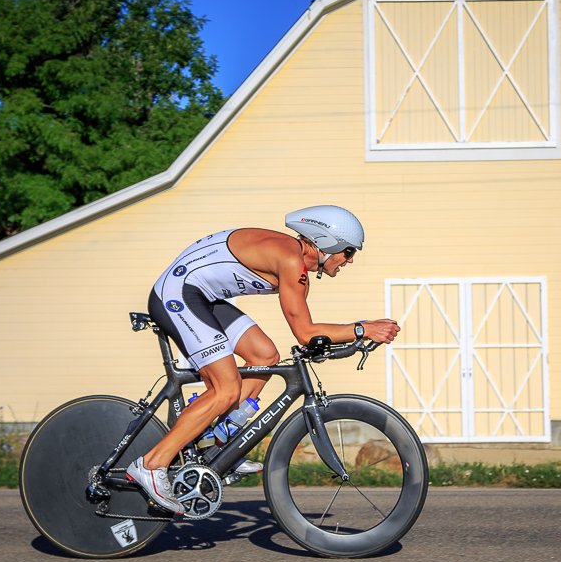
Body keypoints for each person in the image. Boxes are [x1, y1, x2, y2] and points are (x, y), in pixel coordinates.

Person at [126, 205, 401, 512]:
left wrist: (349, 336)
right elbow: (305, 332)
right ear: (326, 243)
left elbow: (308, 333)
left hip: (203, 297)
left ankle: (216, 445)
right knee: (226, 388)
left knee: (264, 356)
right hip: (178, 295)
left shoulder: (294, 262)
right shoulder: (290, 260)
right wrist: (363, 328)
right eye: (348, 252)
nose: (350, 260)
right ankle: (152, 464)